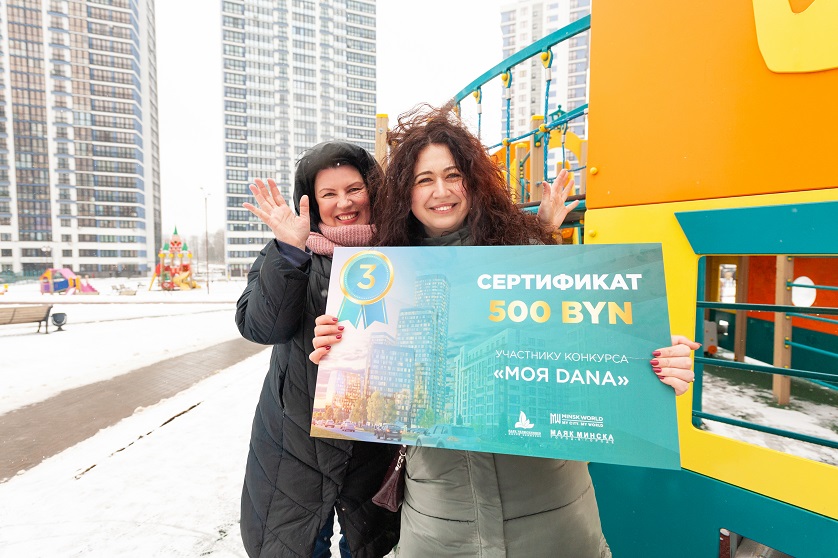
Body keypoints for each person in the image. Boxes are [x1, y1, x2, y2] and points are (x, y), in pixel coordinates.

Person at [311, 105, 699, 557]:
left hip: (551, 507)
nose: (441, 191)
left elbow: (596, 351)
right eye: (423, 179)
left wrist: (656, 362)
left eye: (453, 175)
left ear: (473, 183)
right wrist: (334, 348)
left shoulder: (535, 262)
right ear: (405, 193)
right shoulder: (387, 276)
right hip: (439, 516)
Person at [235, 141, 400, 558]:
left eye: (355, 189)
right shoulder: (289, 249)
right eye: (329, 193)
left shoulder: (400, 250)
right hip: (295, 441)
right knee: (299, 545)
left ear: (373, 191)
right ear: (311, 200)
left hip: (373, 440)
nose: (344, 203)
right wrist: (290, 252)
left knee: (370, 545)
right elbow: (260, 326)